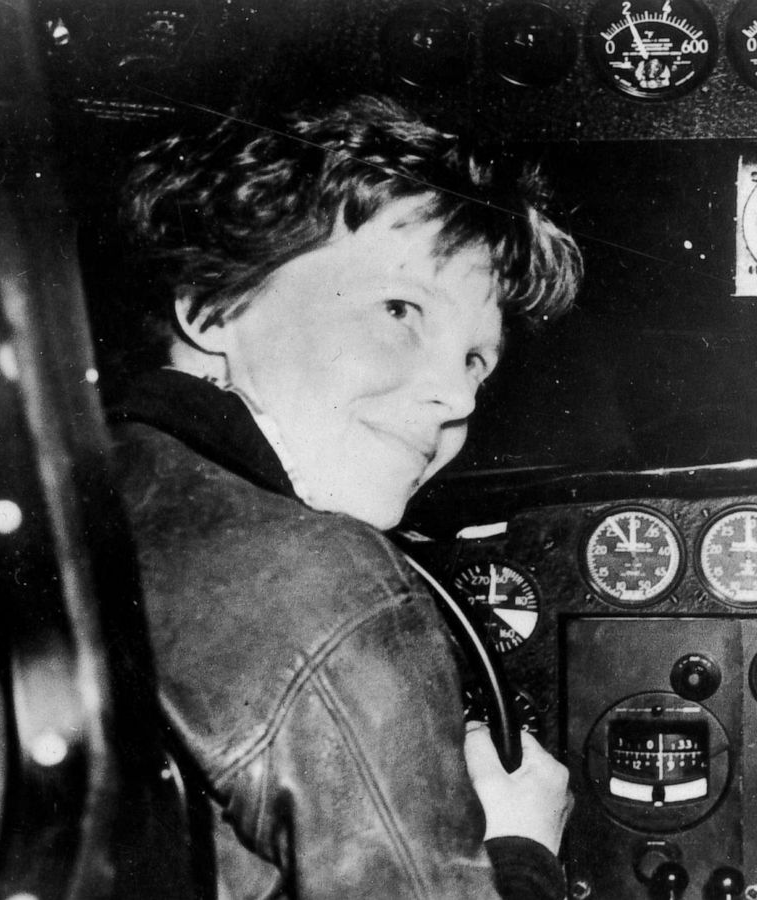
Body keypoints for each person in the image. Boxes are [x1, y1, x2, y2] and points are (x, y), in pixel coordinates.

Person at [105, 93, 582, 900]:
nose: (456, 399)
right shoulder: (322, 577)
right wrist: (521, 848)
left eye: (476, 361)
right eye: (399, 310)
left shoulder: (92, 491)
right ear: (211, 306)